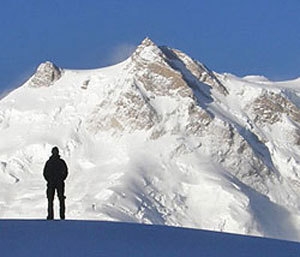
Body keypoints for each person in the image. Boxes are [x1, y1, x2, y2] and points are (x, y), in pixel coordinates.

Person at [43, 146, 68, 220]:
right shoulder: (56, 162)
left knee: (58, 199)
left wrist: (61, 179)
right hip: (54, 183)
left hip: (56, 183)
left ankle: (56, 216)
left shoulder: (55, 162)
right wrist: (50, 180)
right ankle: (56, 216)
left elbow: (65, 172)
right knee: (53, 200)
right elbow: (45, 173)